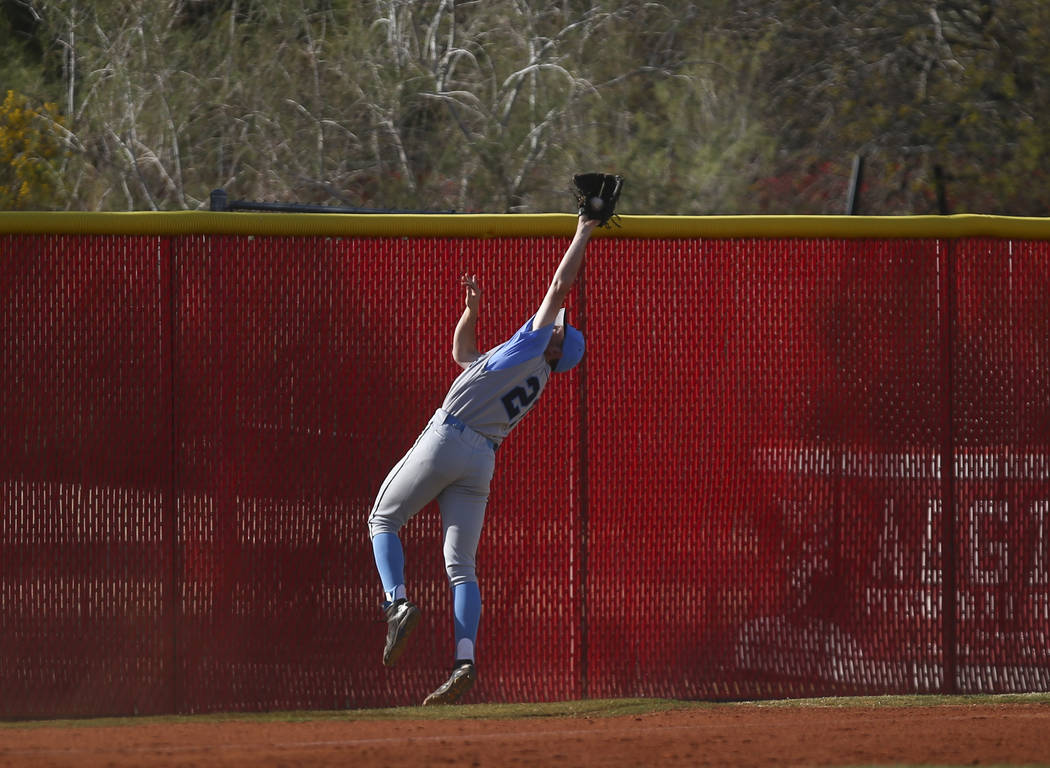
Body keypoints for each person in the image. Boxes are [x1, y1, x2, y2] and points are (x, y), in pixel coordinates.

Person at [366, 212, 599, 705]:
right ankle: (465, 659)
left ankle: (396, 604)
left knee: (382, 519)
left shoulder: (533, 344)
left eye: (558, 329)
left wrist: (584, 229)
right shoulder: (527, 371)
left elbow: (561, 283)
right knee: (462, 568)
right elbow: (462, 354)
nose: (552, 323)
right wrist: (472, 309)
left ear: (557, 345)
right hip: (481, 461)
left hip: (449, 438)